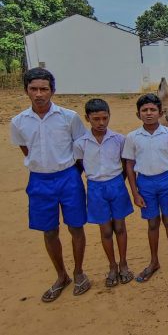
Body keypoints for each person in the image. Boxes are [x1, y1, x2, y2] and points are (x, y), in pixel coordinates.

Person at [10, 68, 91, 302]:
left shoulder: (69, 117)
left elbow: (80, 148)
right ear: (26, 91)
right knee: (49, 230)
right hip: (39, 180)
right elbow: (26, 149)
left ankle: (78, 272)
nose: (39, 94)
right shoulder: (18, 122)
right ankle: (61, 275)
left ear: (52, 91)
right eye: (33, 89)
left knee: (76, 227)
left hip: (68, 177)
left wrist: (73, 173)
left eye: (44, 89)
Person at [122, 93, 168, 282]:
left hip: (167, 181)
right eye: (144, 110)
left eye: (153, 110)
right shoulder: (133, 137)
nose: (149, 113)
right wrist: (135, 192)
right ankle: (154, 261)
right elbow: (129, 165)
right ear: (138, 114)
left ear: (160, 112)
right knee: (152, 223)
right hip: (145, 183)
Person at [74, 98, 134, 287]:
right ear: (87, 118)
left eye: (104, 118)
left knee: (120, 227)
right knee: (105, 230)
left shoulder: (118, 139)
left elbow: (126, 165)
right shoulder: (81, 143)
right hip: (95, 187)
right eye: (96, 119)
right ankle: (112, 266)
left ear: (109, 117)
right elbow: (79, 165)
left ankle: (123, 263)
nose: (101, 123)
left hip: (116, 184)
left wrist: (118, 182)